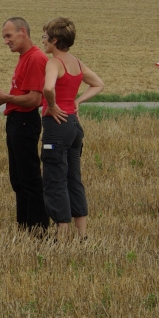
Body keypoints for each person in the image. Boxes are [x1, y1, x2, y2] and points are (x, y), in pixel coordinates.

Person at [39, 17, 104, 243]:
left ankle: (62, 235)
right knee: (73, 178)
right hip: (75, 127)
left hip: (56, 126)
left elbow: (48, 87)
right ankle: (82, 234)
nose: (43, 41)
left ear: (55, 40)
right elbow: (98, 84)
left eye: (45, 37)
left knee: (54, 177)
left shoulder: (54, 63)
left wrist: (53, 106)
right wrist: (77, 102)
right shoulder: (76, 62)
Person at [0, 17, 50, 235]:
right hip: (17, 121)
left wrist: (6, 98)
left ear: (23, 32)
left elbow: (34, 100)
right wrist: (6, 95)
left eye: (9, 35)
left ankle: (38, 230)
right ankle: (25, 228)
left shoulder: (35, 59)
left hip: (25, 121)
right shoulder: (25, 57)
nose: (6, 41)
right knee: (18, 178)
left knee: (29, 178)